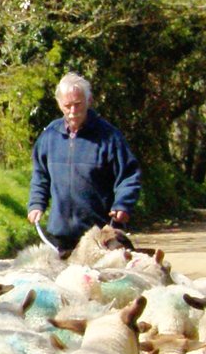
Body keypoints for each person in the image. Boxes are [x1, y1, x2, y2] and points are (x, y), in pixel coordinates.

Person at [27, 73, 142, 257]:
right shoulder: (49, 137)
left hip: (100, 236)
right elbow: (40, 175)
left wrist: (123, 204)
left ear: (89, 100)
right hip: (60, 236)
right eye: (67, 105)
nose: (73, 111)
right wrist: (36, 204)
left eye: (78, 104)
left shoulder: (109, 137)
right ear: (59, 104)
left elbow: (128, 175)